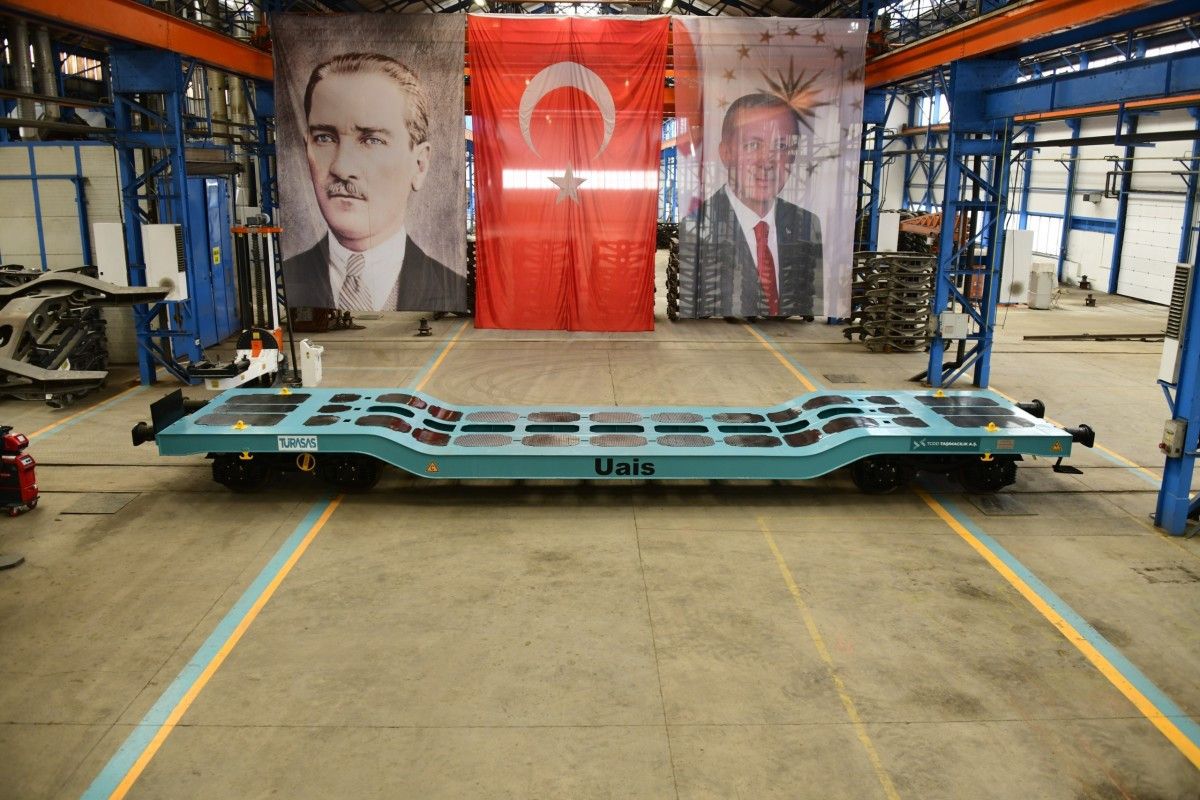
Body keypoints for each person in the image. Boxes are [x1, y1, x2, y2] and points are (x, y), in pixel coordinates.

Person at [282, 52, 465, 312]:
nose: (341, 167)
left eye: (372, 140)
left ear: (419, 164)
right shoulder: (281, 285)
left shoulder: (451, 289)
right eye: (324, 138)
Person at [678, 93, 823, 319]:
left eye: (781, 146)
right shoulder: (695, 226)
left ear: (792, 156)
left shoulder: (807, 224)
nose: (766, 162)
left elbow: (811, 295)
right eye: (753, 145)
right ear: (726, 153)